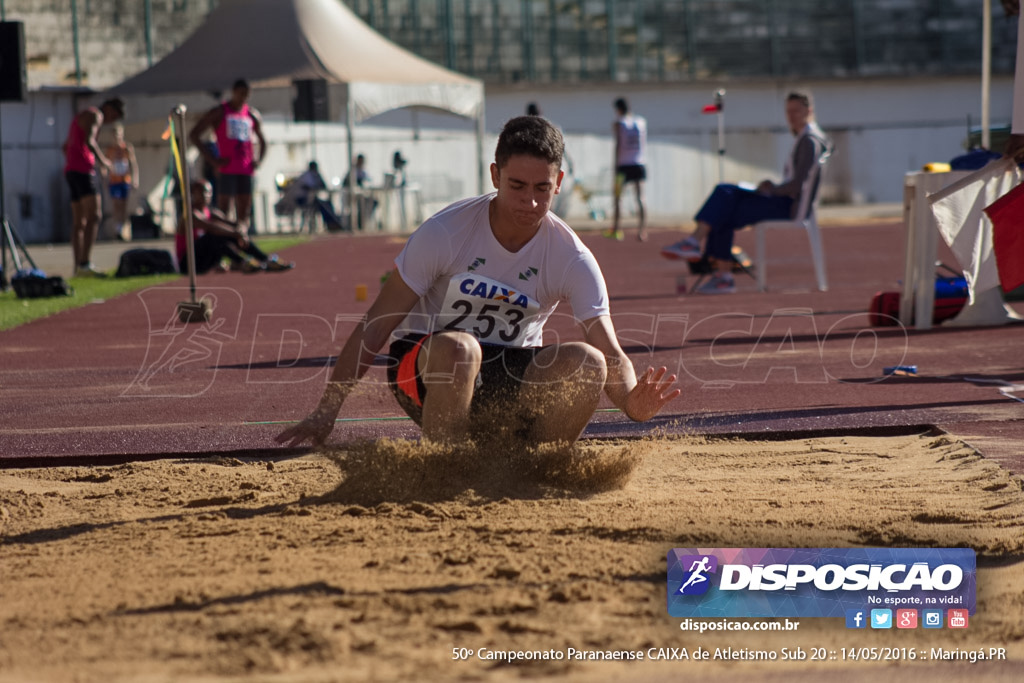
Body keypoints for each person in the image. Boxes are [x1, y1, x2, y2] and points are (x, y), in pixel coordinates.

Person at [276, 115, 679, 450]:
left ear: (558, 184)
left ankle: (532, 467)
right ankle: (443, 466)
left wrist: (629, 400)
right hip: (425, 368)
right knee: (460, 348)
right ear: (494, 175)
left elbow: (609, 351)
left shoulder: (571, 256)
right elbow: (378, 321)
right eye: (517, 186)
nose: (530, 202)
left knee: (586, 363)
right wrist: (327, 408)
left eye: (542, 189)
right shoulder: (446, 232)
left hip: (509, 373)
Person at [660, 91, 831, 294]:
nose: (791, 116)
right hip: (784, 200)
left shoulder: (810, 140)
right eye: (788, 111)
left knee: (724, 198)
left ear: (809, 111)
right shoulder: (806, 137)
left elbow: (798, 184)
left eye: (796, 111)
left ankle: (703, 252)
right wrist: (772, 186)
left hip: (790, 206)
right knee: (725, 198)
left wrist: (773, 189)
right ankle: (715, 268)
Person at [189, 79, 266, 230]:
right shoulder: (220, 112)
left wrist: (258, 160)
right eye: (241, 93)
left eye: (247, 95)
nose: (244, 98)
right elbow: (194, 135)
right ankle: (225, 240)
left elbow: (263, 140)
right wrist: (213, 160)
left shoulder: (251, 114)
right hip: (227, 169)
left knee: (244, 210)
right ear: (234, 92)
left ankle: (242, 240)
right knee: (223, 211)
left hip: (246, 169)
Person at [63, 97, 125, 276]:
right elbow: (90, 141)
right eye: (114, 116)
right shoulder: (95, 115)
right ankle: (84, 263)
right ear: (108, 108)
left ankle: (78, 267)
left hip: (71, 170)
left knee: (79, 222)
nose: (111, 120)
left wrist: (71, 163)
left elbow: (66, 146)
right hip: (83, 170)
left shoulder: (81, 116)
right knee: (94, 216)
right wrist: (104, 162)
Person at [178, 180, 294, 275]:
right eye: (202, 192)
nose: (206, 195)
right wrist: (235, 233)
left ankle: (266, 259)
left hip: (204, 260)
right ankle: (242, 262)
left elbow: (235, 223)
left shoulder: (211, 212)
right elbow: (211, 227)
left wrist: (241, 231)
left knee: (224, 234)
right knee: (215, 236)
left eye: (209, 192)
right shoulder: (190, 215)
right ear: (193, 194)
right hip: (188, 264)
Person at [606, 97, 648, 242]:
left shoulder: (618, 123)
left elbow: (618, 144)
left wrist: (615, 164)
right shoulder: (641, 122)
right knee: (640, 197)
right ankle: (642, 230)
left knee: (618, 197)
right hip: (639, 163)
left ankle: (617, 229)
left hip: (623, 165)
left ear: (618, 109)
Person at [103, 123, 139, 242]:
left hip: (125, 181)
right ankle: (117, 230)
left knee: (123, 206)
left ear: (122, 134)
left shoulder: (127, 148)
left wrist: (135, 179)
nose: (116, 137)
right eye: (114, 135)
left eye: (118, 134)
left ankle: (123, 229)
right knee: (116, 205)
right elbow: (105, 165)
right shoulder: (110, 149)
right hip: (114, 181)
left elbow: (133, 164)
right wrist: (105, 178)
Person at [294, 161, 344, 231]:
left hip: (311, 199)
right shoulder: (307, 175)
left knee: (327, 203)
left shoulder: (315, 175)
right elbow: (307, 186)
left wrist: (319, 177)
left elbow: (323, 185)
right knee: (323, 205)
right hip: (304, 199)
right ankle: (331, 223)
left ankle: (332, 223)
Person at [342, 154, 377, 230]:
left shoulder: (363, 171)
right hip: (351, 194)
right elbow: (346, 182)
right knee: (352, 208)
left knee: (373, 202)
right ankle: (352, 224)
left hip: (362, 194)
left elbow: (368, 180)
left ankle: (363, 222)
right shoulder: (353, 170)